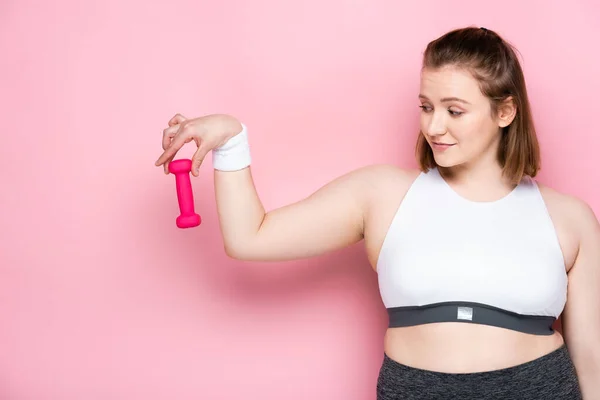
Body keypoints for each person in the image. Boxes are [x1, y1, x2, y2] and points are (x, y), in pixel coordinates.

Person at [155, 26, 599, 399]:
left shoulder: (570, 218)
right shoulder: (382, 194)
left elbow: (592, 362)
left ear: (505, 111)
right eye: (425, 107)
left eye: (454, 111)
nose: (434, 127)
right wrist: (233, 143)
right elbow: (250, 237)